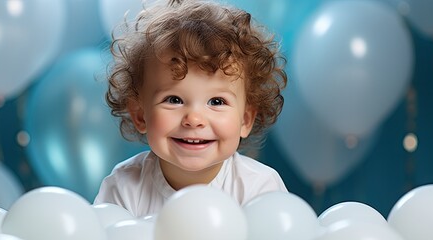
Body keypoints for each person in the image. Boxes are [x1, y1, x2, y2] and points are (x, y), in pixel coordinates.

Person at [94, 0, 288, 217]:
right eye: (174, 99)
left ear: (245, 120)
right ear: (140, 115)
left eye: (216, 102)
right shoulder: (123, 186)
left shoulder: (259, 189)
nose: (194, 119)